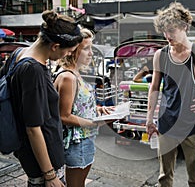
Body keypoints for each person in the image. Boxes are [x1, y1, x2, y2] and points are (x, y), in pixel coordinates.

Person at [0, 10, 83, 186]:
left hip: (28, 152)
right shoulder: (34, 70)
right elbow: (33, 127)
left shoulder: (18, 54)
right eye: (69, 51)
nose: (68, 55)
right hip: (43, 158)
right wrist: (50, 175)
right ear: (55, 46)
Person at [146, 1, 195, 187]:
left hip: (193, 126)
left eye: (172, 30)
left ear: (184, 27)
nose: (167, 36)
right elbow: (155, 87)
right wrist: (150, 118)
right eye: (164, 31)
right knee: (164, 176)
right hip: (166, 122)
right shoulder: (161, 55)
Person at [53, 28, 114, 187]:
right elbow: (64, 116)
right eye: (86, 49)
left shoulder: (75, 73)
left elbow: (77, 106)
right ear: (73, 51)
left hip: (85, 140)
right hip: (76, 143)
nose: (91, 54)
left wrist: (97, 110)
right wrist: (93, 123)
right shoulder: (68, 77)